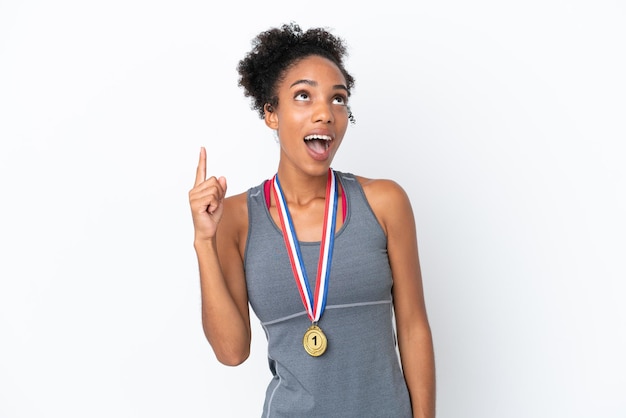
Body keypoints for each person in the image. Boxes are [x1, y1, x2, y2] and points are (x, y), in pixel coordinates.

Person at [189, 22, 435, 418]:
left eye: (338, 100)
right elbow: (232, 352)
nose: (325, 112)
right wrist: (204, 240)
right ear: (271, 113)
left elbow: (413, 327)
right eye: (304, 96)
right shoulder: (235, 218)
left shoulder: (385, 202)